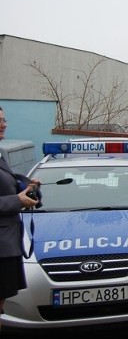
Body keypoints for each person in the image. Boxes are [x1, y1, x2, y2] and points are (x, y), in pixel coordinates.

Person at [0, 106, 40, 328]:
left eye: (5, 119)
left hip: (7, 245)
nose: (4, 124)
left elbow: (8, 184)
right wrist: (17, 201)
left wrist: (27, 186)